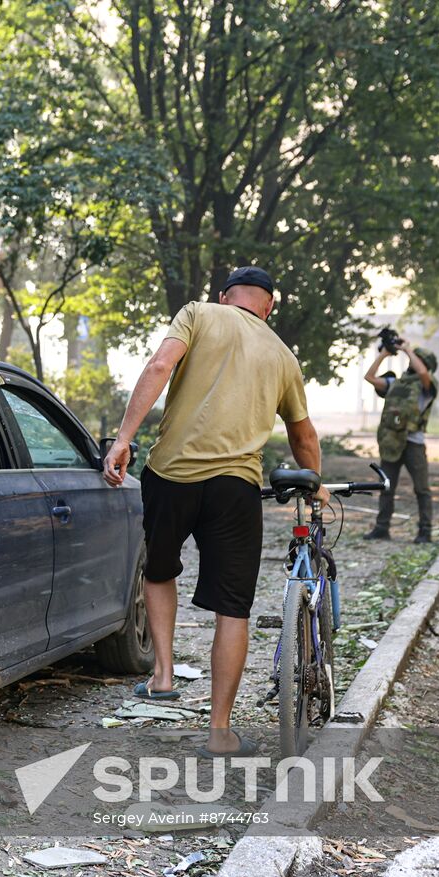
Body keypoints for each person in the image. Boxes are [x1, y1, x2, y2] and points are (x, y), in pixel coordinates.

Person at [103, 266, 327, 758]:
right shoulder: (283, 354)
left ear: (225, 296)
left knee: (159, 570)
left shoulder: (198, 314)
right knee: (233, 607)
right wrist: (316, 486)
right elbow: (303, 435)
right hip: (235, 487)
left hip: (170, 474)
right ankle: (220, 731)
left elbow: (160, 366)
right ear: (269, 306)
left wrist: (123, 440)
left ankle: (162, 676)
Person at [363, 337, 437, 544]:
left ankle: (425, 530)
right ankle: (381, 527)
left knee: (422, 489)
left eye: (417, 359)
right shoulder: (396, 383)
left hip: (414, 443)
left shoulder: (427, 385)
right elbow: (369, 377)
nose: (412, 361)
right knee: (386, 486)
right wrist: (384, 354)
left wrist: (406, 349)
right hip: (392, 443)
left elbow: (422, 373)